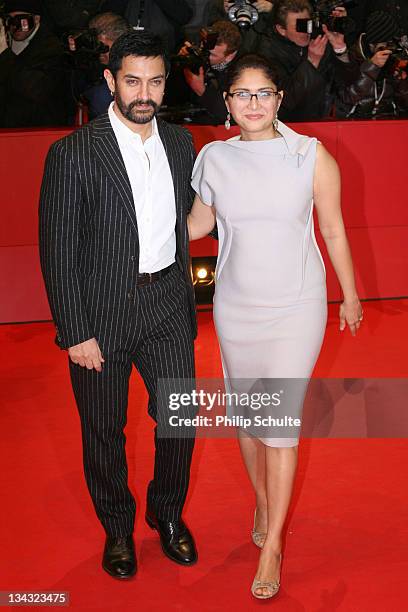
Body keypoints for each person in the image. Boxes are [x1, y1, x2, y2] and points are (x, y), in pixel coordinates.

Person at [187, 54, 362, 599]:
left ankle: (273, 547)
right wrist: (135, 222)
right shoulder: (213, 158)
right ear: (227, 102)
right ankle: (262, 501)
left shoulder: (311, 156)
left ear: (279, 99)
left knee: (278, 425)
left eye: (264, 93)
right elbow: (197, 224)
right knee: (247, 420)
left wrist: (350, 294)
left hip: (297, 306)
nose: (254, 104)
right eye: (242, 94)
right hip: (236, 306)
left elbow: (332, 229)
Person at [39, 30, 198, 580]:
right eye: (132, 80)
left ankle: (167, 513)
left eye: (155, 80)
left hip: (168, 306)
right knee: (103, 433)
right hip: (100, 314)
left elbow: (187, 222)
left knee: (181, 418)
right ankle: (118, 529)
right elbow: (58, 251)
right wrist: (75, 330)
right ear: (109, 82)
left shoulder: (181, 145)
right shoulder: (72, 153)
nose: (144, 92)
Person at [257, 0, 356, 121]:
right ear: (281, 29)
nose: (307, 31)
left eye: (308, 24)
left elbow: (349, 85)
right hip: (289, 126)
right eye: (300, 26)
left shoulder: (319, 39)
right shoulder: (267, 52)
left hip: (325, 120)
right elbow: (286, 100)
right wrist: (311, 62)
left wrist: (340, 49)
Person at [0, 0, 71, 127]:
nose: (14, 25)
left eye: (21, 20)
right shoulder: (7, 42)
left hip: (38, 128)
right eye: (9, 20)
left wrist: (4, 54)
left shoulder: (53, 48)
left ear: (37, 19)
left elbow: (36, 89)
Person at [336, 11, 408, 119]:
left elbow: (403, 104)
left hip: (389, 124)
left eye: (392, 44)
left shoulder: (394, 60)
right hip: (356, 125)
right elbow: (346, 99)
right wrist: (372, 67)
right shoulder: (350, 58)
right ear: (371, 44)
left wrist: (402, 79)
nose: (390, 48)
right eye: (385, 44)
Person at [181, 20, 241, 123]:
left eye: (212, 55)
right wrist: (183, 62)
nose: (205, 55)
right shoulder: (196, 44)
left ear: (229, 57)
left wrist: (203, 92)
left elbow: (233, 115)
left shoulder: (242, 73)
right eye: (203, 48)